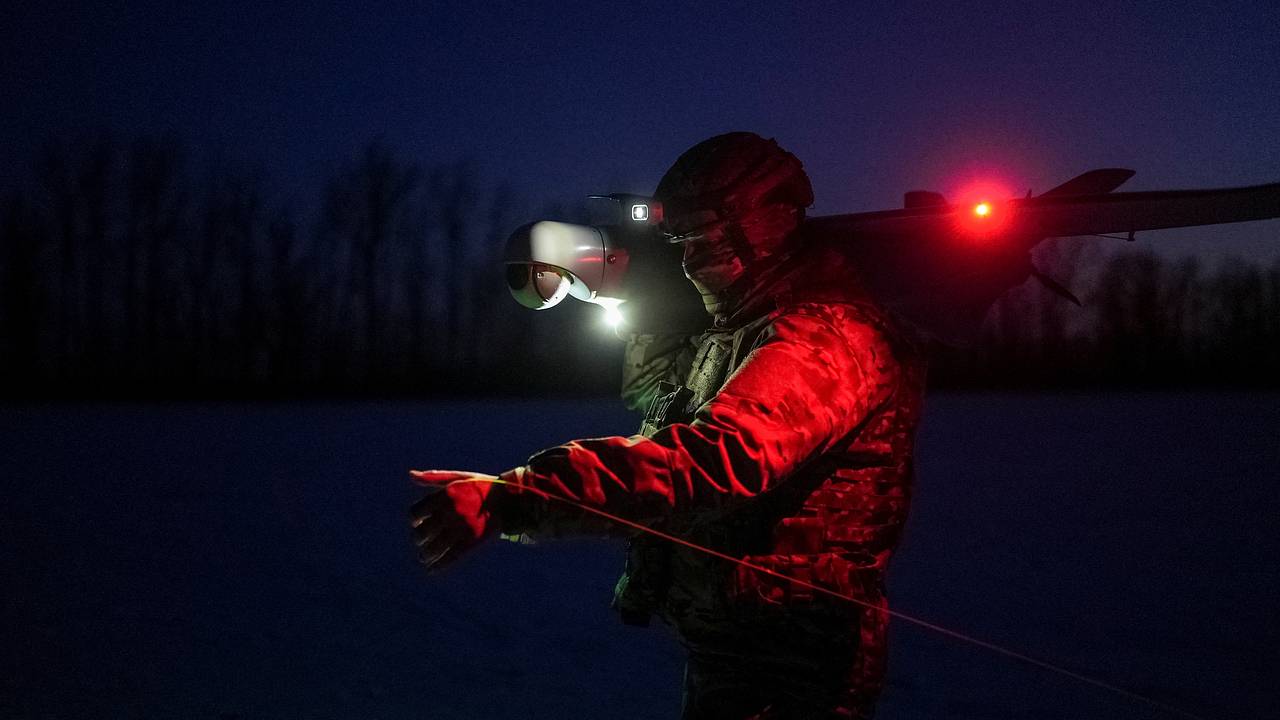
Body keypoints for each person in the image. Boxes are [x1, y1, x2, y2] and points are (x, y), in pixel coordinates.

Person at [410, 132, 927, 719]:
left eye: (704, 240)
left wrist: (521, 496)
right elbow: (655, 412)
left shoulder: (827, 335)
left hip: (796, 663)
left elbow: (713, 460)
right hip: (736, 648)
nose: (689, 261)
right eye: (680, 242)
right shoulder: (739, 331)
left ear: (760, 226)